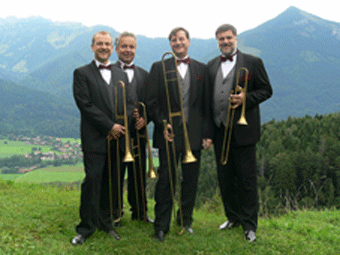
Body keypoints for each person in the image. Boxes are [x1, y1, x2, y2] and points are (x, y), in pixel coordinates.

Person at [146, 27, 213, 242]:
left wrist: (207, 134)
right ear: (170, 44)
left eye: (181, 39)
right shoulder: (158, 67)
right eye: (173, 40)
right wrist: (162, 123)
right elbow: (151, 101)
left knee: (190, 180)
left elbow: (206, 105)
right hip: (169, 133)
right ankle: (161, 226)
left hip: (194, 133)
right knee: (166, 179)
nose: (177, 43)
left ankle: (185, 221)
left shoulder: (201, 69)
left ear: (189, 42)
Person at [207, 24, 273, 243]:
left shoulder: (254, 62)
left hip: (244, 132)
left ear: (236, 38)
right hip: (219, 130)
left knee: (246, 180)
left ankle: (249, 225)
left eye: (228, 38)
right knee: (225, 178)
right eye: (220, 39)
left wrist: (246, 99)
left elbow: (266, 90)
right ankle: (232, 217)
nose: (225, 42)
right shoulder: (212, 65)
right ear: (217, 41)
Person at [71, 30, 129, 245]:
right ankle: (85, 228)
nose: (104, 47)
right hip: (95, 138)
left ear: (112, 48)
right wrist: (109, 126)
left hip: (117, 139)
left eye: (107, 44)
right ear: (92, 47)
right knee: (92, 182)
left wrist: (122, 126)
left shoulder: (121, 74)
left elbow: (127, 102)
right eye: (99, 44)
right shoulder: (81, 73)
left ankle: (107, 223)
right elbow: (85, 105)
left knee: (111, 183)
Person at [113, 31, 153, 224]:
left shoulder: (144, 75)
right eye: (124, 46)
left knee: (138, 174)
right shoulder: (107, 72)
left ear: (135, 49)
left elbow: (151, 103)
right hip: (116, 133)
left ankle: (140, 212)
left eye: (131, 47)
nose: (128, 50)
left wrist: (145, 118)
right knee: (116, 174)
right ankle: (115, 213)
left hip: (138, 134)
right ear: (116, 48)